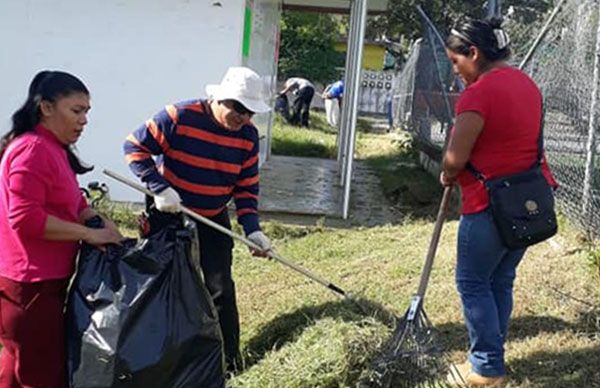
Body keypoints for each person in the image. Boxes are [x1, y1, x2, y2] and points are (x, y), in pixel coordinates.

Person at [123, 66, 273, 373]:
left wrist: (253, 230)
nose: (244, 118)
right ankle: (150, 359)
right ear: (220, 99)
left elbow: (246, 187)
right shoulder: (178, 116)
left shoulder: (247, 136)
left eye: (250, 112)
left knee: (220, 287)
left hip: (213, 214)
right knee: (161, 283)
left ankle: (229, 363)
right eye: (239, 109)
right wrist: (159, 188)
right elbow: (134, 147)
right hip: (169, 211)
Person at [441, 19, 557, 387]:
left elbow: (456, 159)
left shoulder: (478, 94)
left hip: (489, 205)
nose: (456, 72)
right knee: (501, 280)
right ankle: (489, 357)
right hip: (525, 203)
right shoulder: (528, 85)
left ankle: (487, 370)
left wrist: (446, 173)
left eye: (456, 62)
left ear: (473, 53)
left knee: (473, 283)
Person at [0, 70, 123, 388]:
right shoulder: (33, 149)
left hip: (40, 282)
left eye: (87, 112)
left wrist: (92, 217)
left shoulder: (52, 148)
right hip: (29, 284)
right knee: (41, 374)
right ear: (46, 108)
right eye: (76, 110)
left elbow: (68, 199)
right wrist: (89, 234)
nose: (83, 120)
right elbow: (25, 219)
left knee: (18, 364)